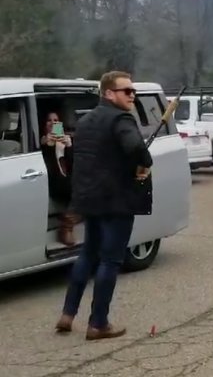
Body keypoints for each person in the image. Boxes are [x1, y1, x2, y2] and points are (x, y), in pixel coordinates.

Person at [54, 71, 152, 340]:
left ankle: (67, 314)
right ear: (109, 93)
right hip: (115, 201)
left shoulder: (85, 121)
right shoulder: (121, 118)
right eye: (127, 91)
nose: (132, 96)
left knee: (88, 255)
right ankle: (98, 323)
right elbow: (134, 147)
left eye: (133, 91)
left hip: (89, 199)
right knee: (110, 260)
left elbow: (78, 157)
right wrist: (144, 162)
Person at [41, 111, 80, 246]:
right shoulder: (42, 143)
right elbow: (49, 171)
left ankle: (67, 225)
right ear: (44, 125)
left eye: (56, 120)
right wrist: (47, 147)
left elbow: (75, 166)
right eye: (49, 120)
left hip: (67, 181)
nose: (53, 123)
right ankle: (66, 228)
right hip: (52, 182)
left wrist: (69, 147)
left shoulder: (65, 141)